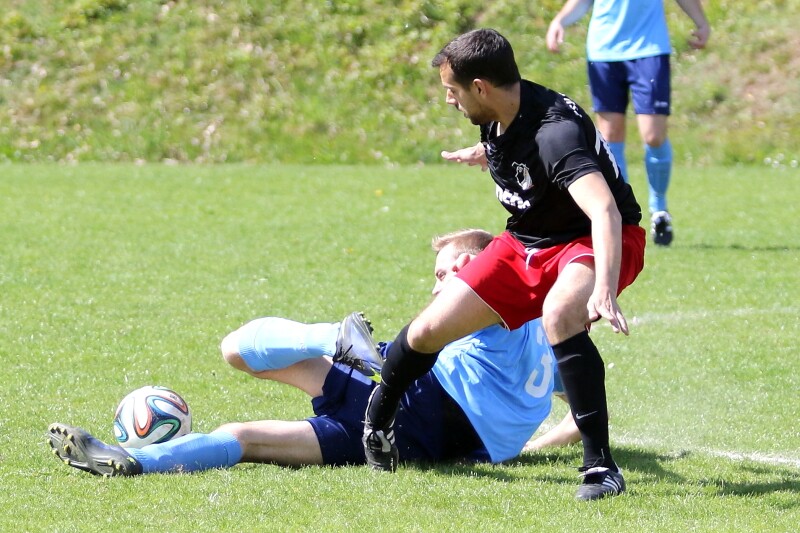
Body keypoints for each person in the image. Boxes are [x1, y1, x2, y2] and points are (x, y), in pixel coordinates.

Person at [362, 28, 645, 501]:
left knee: (560, 315)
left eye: (452, 90)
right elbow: (519, 150)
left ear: (480, 88)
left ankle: (601, 468)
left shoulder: (556, 135)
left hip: (593, 239)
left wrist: (604, 288)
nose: (449, 100)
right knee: (428, 329)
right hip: (525, 241)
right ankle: (377, 423)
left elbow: (605, 211)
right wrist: (485, 152)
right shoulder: (501, 111)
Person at [46, 229, 579, 478]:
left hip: (408, 396)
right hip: (416, 446)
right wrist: (532, 446)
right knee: (244, 438)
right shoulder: (545, 340)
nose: (439, 285)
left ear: (474, 269)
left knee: (234, 349)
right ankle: (135, 463)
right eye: (437, 275)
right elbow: (580, 412)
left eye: (446, 272)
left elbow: (500, 256)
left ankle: (332, 337)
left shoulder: (489, 299)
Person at [546, 0, 711, 246]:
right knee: (610, 135)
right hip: (604, 51)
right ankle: (621, 213)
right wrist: (560, 21)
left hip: (649, 48)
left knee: (653, 135)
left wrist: (701, 22)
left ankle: (659, 209)